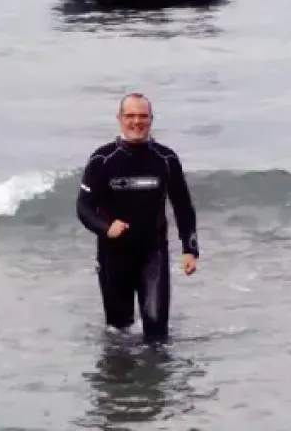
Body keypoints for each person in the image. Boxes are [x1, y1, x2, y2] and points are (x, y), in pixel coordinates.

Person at [76, 93, 199, 344]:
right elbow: (83, 207)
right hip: (113, 255)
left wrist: (190, 249)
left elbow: (183, 206)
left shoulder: (166, 159)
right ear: (120, 118)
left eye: (143, 116)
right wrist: (106, 227)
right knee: (118, 334)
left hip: (153, 253)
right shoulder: (102, 160)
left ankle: (157, 370)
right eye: (130, 116)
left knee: (157, 334)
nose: (136, 122)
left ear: (151, 119)